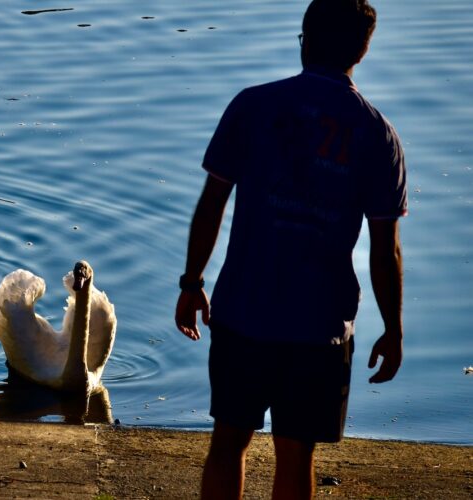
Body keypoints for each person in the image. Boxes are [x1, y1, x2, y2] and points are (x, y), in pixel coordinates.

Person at [174, 0, 407, 498]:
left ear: (304, 39)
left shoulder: (252, 106)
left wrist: (192, 282)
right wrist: (392, 329)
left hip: (242, 312)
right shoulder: (377, 135)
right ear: (362, 52)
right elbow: (385, 249)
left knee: (228, 441)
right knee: (297, 452)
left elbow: (212, 202)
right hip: (319, 327)